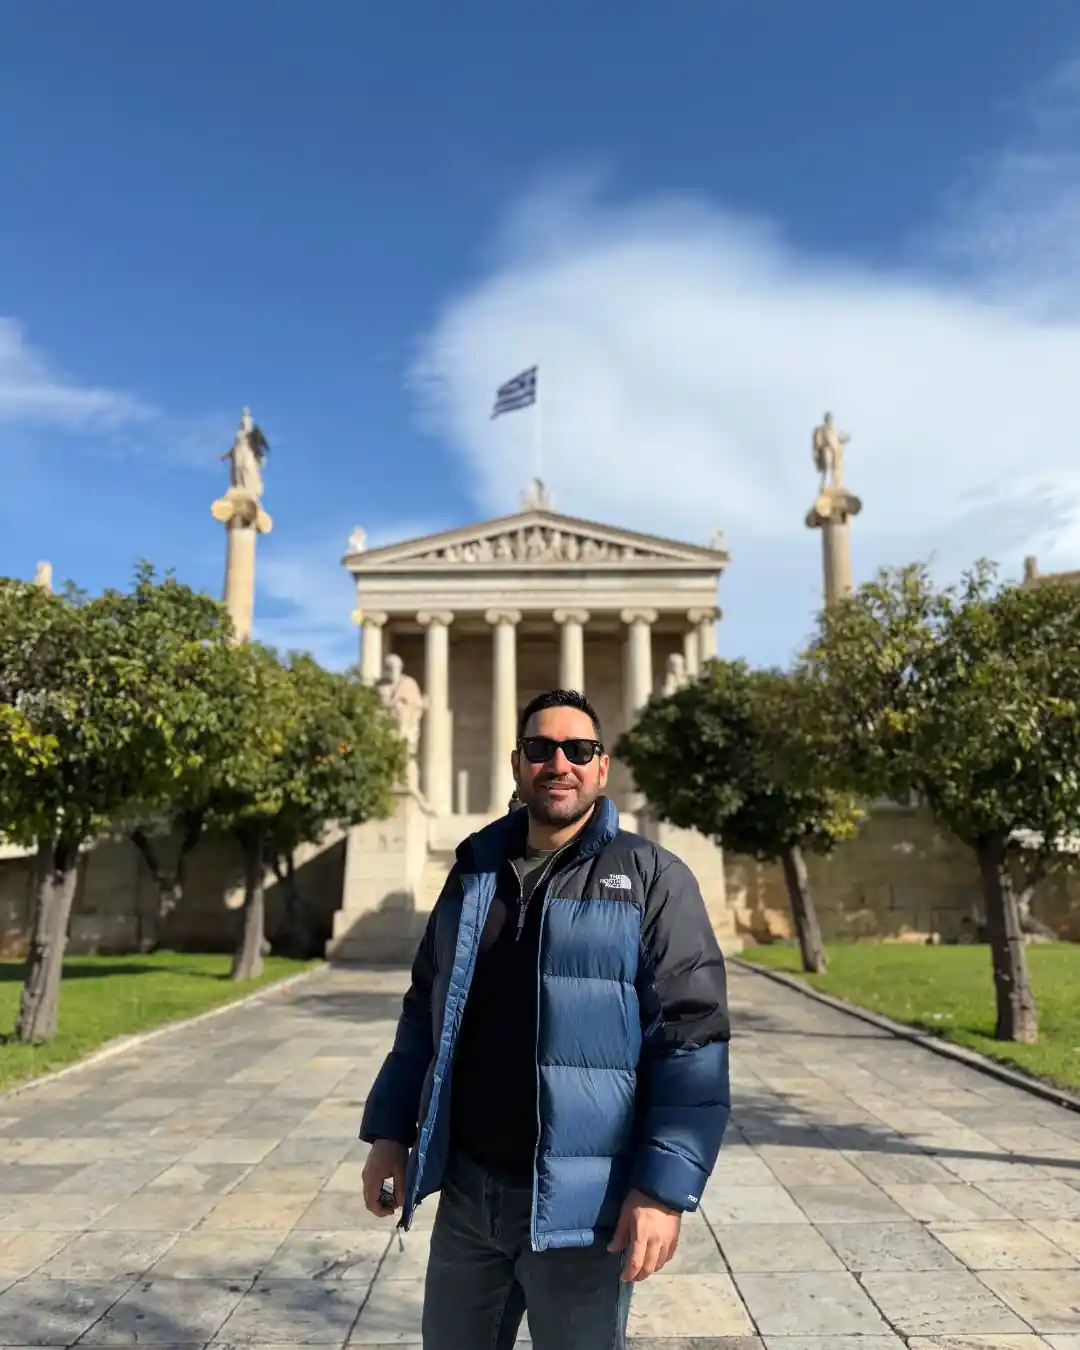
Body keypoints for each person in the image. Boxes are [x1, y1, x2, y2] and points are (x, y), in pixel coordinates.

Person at [360, 688, 731, 1350]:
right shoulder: (474, 870)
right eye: (540, 749)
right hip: (471, 1197)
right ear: (517, 763)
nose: (558, 763)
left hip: (585, 1207)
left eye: (577, 749)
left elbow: (691, 1040)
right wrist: (390, 1130)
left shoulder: (652, 878)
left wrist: (663, 1190)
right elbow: (426, 1008)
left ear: (601, 766)